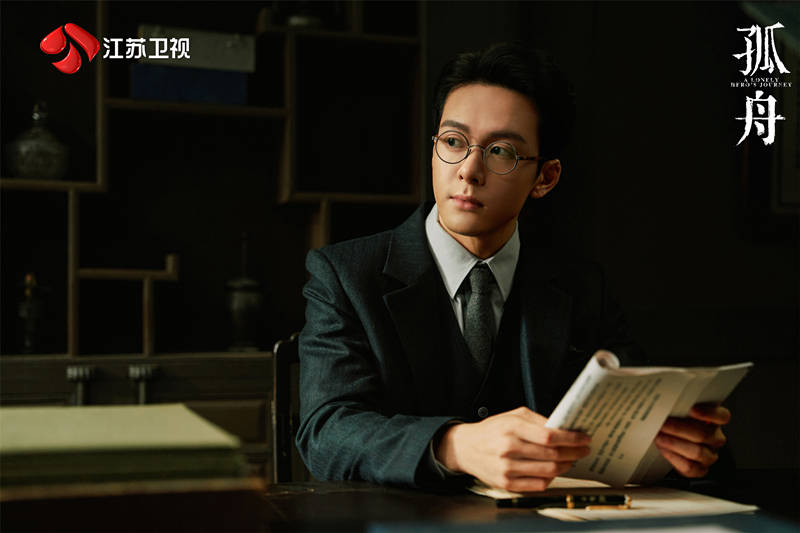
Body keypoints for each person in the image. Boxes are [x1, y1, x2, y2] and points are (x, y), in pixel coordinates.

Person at [296, 42, 731, 491]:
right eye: (453, 142)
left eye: (501, 151)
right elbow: (326, 431)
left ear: (545, 178)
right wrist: (455, 445)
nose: (469, 170)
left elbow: (639, 412)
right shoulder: (346, 275)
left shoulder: (581, 286)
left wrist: (677, 444)